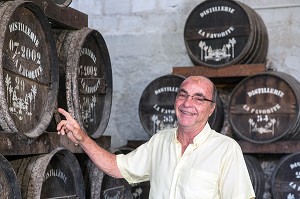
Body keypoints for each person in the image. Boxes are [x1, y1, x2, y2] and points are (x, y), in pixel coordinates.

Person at [57, 75, 255, 199]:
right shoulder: (160, 141)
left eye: (199, 98)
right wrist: (82, 137)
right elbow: (116, 167)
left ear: (211, 109)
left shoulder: (226, 149)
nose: (187, 103)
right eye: (183, 95)